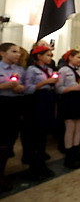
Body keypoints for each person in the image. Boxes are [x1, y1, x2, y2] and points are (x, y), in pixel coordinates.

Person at [24, 45, 58, 179]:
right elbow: (27, 88)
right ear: (39, 56)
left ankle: (42, 162)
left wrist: (53, 82)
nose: (50, 57)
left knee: (44, 133)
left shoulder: (49, 69)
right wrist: (45, 82)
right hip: (37, 102)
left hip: (48, 101)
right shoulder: (32, 70)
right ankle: (34, 166)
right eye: (48, 55)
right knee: (35, 133)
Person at [55, 49, 80, 169]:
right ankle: (69, 156)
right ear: (70, 58)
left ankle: (76, 152)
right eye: (78, 57)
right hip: (68, 99)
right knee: (70, 128)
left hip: (79, 99)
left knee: (79, 127)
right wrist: (73, 88)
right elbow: (58, 88)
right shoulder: (64, 70)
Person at [0, 43, 25, 193]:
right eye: (14, 51)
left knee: (8, 141)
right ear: (2, 53)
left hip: (14, 105)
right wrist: (4, 86)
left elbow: (26, 86)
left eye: (19, 52)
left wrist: (21, 88)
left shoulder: (20, 70)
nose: (18, 55)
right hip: (1, 104)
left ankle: (2, 172)